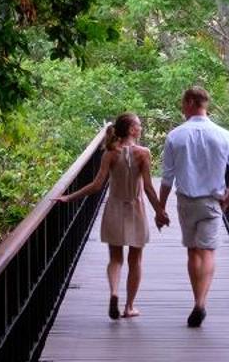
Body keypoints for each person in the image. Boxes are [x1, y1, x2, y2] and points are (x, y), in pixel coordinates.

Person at [155, 85, 229, 327]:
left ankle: (197, 300)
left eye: (183, 104)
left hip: (186, 201)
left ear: (190, 103)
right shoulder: (224, 135)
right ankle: (201, 302)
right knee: (208, 251)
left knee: (193, 251)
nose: (182, 108)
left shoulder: (175, 136)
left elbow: (167, 178)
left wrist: (160, 208)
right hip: (212, 201)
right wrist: (228, 197)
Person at [57, 113, 164, 319]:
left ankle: (114, 292)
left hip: (114, 207)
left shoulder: (110, 153)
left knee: (115, 259)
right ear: (132, 129)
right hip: (136, 208)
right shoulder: (143, 153)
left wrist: (70, 197)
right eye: (139, 126)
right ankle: (129, 306)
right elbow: (149, 188)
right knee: (136, 260)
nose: (141, 129)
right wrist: (160, 210)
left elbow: (97, 185)